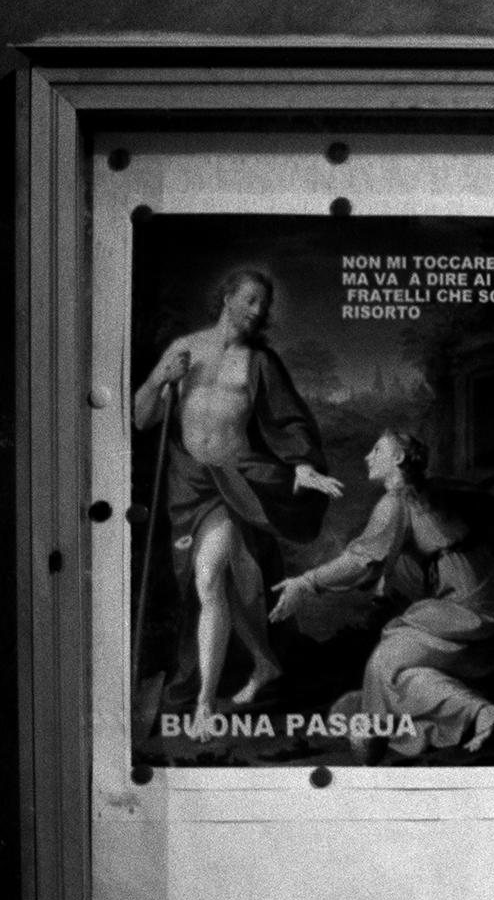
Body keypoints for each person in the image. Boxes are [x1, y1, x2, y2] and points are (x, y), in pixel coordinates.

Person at [132, 269, 343, 727]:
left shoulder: (260, 362)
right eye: (250, 300)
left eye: (264, 304)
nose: (258, 310)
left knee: (209, 578)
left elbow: (289, 421)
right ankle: (264, 662)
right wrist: (159, 379)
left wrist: (301, 463)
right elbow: (143, 418)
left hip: (234, 481)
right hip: (189, 482)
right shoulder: (184, 349)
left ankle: (205, 703)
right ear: (227, 297)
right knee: (230, 582)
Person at [268, 429, 494, 754]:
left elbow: (362, 561)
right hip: (492, 593)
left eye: (377, 450)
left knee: (384, 662)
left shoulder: (397, 501)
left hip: (471, 603)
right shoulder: (428, 489)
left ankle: (385, 727)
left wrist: (305, 583)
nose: (367, 456)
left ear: (399, 457)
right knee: (406, 672)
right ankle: (474, 710)